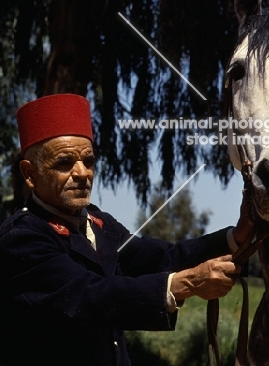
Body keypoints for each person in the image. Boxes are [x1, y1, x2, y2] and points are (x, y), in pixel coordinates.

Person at [0, 94, 252, 366]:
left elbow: (163, 258)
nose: (83, 173)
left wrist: (235, 238)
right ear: (29, 173)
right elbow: (89, 295)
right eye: (64, 163)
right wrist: (185, 284)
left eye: (88, 161)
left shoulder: (99, 223)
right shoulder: (20, 238)